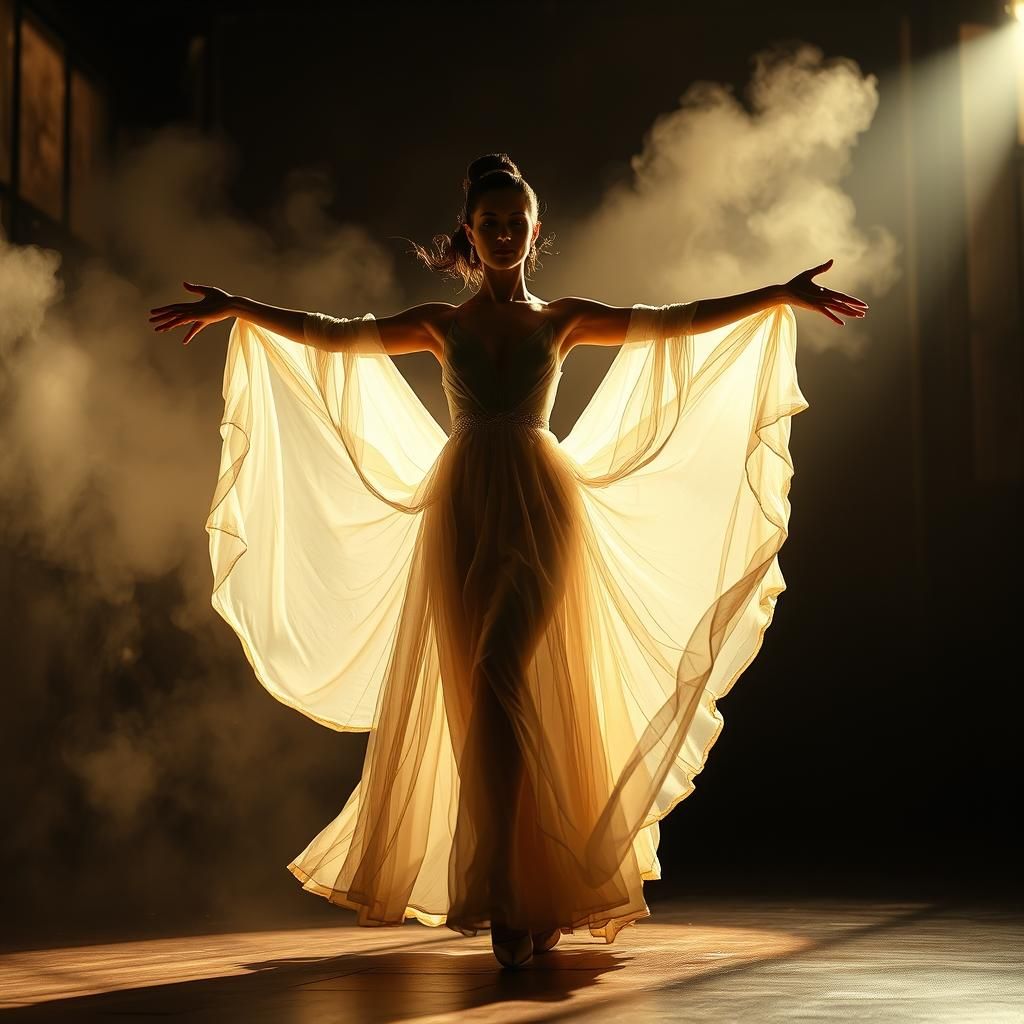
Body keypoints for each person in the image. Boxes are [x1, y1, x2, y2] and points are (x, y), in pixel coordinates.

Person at [149, 152, 867, 969]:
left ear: (534, 231)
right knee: (478, 700)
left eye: (515, 222)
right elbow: (334, 337)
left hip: (539, 505)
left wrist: (775, 294)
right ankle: (522, 889)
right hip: (459, 512)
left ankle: (517, 886)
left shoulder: (560, 320)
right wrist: (244, 307)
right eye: (488, 222)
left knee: (502, 671)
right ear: (469, 233)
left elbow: (678, 317)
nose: (502, 233)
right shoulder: (440, 324)